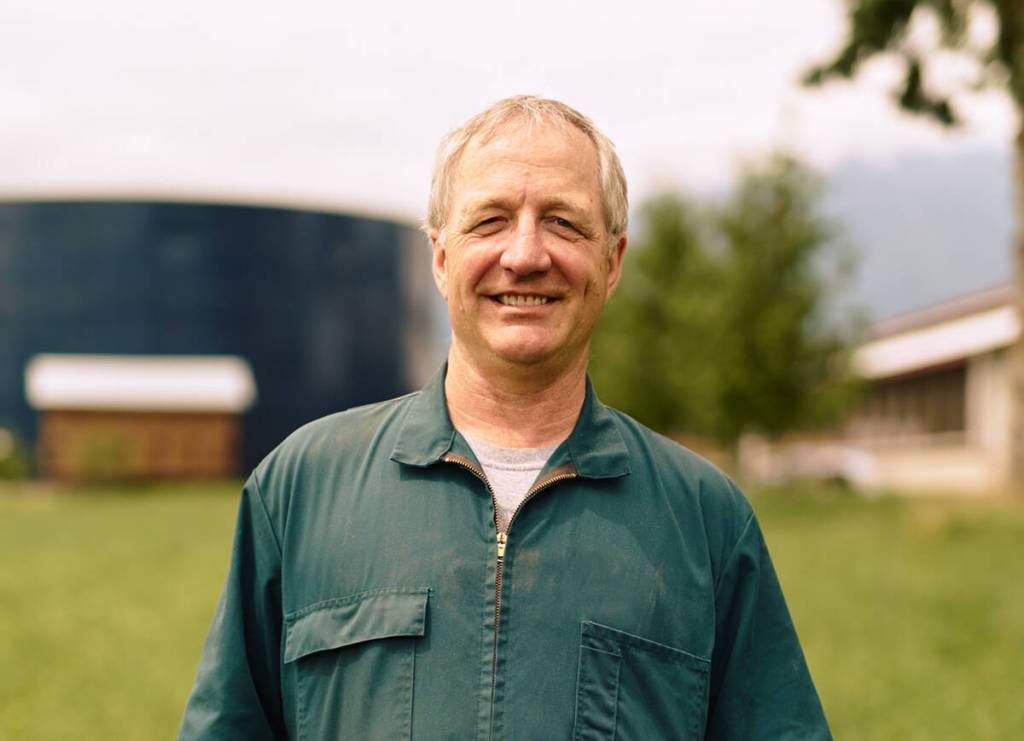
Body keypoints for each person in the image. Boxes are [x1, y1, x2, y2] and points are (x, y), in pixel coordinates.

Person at [179, 95, 831, 740]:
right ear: (439, 257)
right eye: (490, 220)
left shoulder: (707, 521)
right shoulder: (298, 489)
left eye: (564, 223)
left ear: (612, 263)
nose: (525, 254)